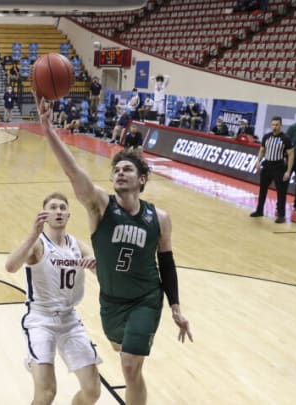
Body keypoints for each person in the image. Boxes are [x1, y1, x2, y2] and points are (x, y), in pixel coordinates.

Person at [35, 93, 193, 405]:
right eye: (116, 169)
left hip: (146, 298)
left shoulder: (159, 218)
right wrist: (49, 129)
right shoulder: (100, 207)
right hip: (111, 301)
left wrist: (175, 306)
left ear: (142, 179)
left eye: (127, 170)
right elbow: (74, 174)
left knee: (130, 366)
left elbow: (168, 263)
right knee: (125, 355)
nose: (120, 173)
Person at [5, 192, 102, 405]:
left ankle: (36, 362)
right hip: (41, 320)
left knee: (93, 391)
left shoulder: (78, 246)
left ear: (68, 215)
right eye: (53, 207)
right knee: (47, 393)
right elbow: (10, 266)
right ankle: (36, 361)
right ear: (44, 215)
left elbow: (104, 277)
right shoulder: (38, 244)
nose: (58, 211)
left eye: (62, 208)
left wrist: (97, 265)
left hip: (69, 320)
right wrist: (32, 234)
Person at [250, 116, 294, 223]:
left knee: (281, 191)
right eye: (273, 124)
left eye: (277, 125)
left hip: (279, 167)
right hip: (267, 165)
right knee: (263, 189)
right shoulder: (266, 137)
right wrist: (258, 161)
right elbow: (262, 150)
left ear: (281, 125)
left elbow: (291, 155)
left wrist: (288, 171)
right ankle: (259, 210)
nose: (275, 127)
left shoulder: (285, 138)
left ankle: (281, 215)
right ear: (271, 125)